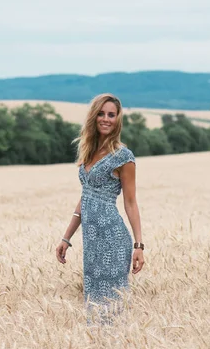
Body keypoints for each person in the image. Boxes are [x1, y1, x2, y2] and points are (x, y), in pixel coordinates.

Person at [55, 93, 144, 322]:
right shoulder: (88, 152)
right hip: (92, 242)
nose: (106, 119)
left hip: (113, 240)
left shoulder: (123, 157)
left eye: (111, 115)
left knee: (112, 308)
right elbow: (85, 198)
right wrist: (66, 238)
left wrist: (139, 245)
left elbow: (131, 203)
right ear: (93, 118)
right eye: (101, 114)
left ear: (118, 119)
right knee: (93, 307)